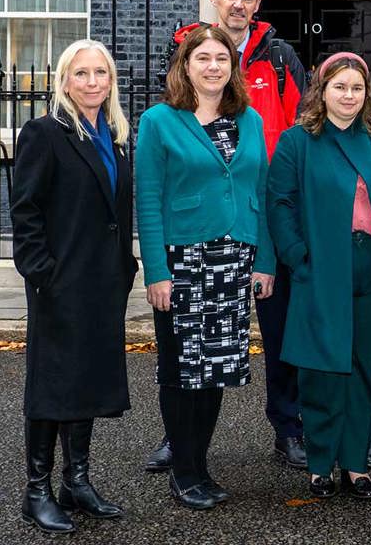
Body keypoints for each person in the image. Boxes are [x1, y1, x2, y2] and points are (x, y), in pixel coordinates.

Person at [146, 0, 309, 473]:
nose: (239, 4)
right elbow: (154, 186)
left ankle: (288, 428)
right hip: (193, 241)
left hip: (260, 222)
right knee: (182, 354)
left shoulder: (280, 59)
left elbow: (302, 126)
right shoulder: (177, 72)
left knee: (274, 336)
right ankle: (183, 446)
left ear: (258, 3)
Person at [267, 52, 371, 500]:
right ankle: (320, 464)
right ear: (322, 90)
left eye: (357, 88)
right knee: (321, 370)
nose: (349, 96)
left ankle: (355, 463)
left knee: (364, 369)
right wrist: (297, 257)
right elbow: (280, 203)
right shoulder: (299, 141)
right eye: (340, 87)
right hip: (321, 271)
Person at [135, 25, 276, 510]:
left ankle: (201, 465)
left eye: (222, 58)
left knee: (217, 367)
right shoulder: (159, 120)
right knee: (181, 368)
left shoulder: (249, 119)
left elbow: (260, 191)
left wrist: (265, 260)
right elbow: (148, 198)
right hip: (184, 259)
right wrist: (156, 270)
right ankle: (184, 471)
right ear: (186, 66)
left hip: (235, 258)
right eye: (203, 58)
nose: (214, 66)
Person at [10, 39, 138, 534]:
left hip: (103, 279)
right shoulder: (45, 132)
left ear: (110, 81)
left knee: (85, 378)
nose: (92, 82)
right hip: (59, 280)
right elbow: (25, 209)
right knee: (52, 382)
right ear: (65, 80)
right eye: (81, 73)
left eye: (100, 73)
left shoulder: (116, 133)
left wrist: (124, 266)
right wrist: (41, 271)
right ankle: (36, 490)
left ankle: (76, 481)